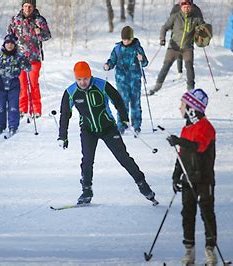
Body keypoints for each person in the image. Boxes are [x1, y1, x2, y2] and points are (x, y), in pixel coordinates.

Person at [58, 61, 158, 206]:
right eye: (79, 79)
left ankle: (143, 185)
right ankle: (86, 191)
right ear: (75, 78)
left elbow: (118, 100)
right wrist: (63, 136)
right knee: (87, 160)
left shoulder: (101, 85)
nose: (83, 82)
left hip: (108, 128)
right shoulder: (71, 92)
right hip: (88, 130)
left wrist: (124, 118)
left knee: (123, 157)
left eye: (85, 78)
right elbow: (65, 114)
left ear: (90, 75)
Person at [166, 88, 217, 266]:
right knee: (187, 214)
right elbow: (182, 155)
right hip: (187, 179)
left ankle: (210, 250)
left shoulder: (206, 127)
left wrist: (179, 141)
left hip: (203, 179)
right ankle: (189, 251)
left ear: (191, 108)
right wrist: (175, 175)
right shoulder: (186, 128)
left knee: (206, 213)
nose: (180, 108)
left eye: (182, 104)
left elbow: (199, 146)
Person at [149, 0, 205, 95]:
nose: (186, 8)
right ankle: (157, 86)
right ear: (180, 7)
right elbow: (164, 27)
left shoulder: (195, 18)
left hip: (187, 47)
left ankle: (190, 89)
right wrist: (162, 38)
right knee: (166, 66)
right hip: (174, 47)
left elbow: (204, 27)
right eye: (184, 7)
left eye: (188, 7)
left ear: (191, 7)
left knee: (189, 67)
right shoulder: (175, 16)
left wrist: (202, 36)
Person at [7, 0, 51, 118]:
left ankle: (36, 110)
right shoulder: (15, 20)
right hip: (19, 58)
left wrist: (40, 32)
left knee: (33, 85)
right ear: (22, 7)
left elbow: (47, 35)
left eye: (30, 6)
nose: (27, 9)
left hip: (34, 58)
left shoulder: (39, 20)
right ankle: (22, 109)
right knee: (22, 85)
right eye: (25, 6)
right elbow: (9, 37)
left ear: (34, 7)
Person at [104, 26, 148, 134]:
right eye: (124, 39)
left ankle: (136, 125)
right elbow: (112, 60)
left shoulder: (137, 48)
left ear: (132, 38)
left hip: (134, 80)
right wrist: (108, 65)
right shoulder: (118, 48)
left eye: (128, 39)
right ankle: (122, 125)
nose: (126, 41)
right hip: (121, 80)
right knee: (122, 102)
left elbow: (145, 63)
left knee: (135, 103)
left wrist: (141, 59)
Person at [0, 34, 31, 136]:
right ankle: (0, 126)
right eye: (7, 43)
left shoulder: (18, 56)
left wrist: (26, 62)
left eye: (11, 43)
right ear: (4, 44)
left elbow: (28, 68)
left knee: (13, 106)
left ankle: (13, 126)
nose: (9, 45)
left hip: (14, 83)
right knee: (0, 106)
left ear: (14, 45)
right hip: (1, 83)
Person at [170, 0, 204, 79]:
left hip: (190, 33)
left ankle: (188, 70)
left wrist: (200, 30)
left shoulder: (195, 9)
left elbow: (201, 21)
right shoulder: (176, 8)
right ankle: (180, 71)